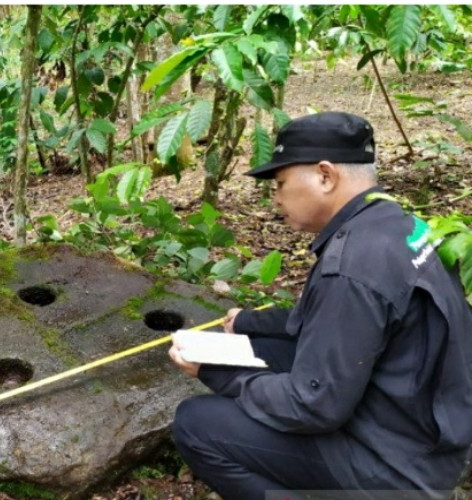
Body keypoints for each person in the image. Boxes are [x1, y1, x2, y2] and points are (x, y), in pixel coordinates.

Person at [167, 112, 472, 499]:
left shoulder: (351, 265)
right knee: (264, 351)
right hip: (430, 431)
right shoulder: (392, 224)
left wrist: (216, 374)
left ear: (326, 176)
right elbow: (336, 326)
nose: (276, 197)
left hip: (399, 467)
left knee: (196, 423)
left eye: (280, 183)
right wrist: (250, 322)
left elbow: (313, 405)